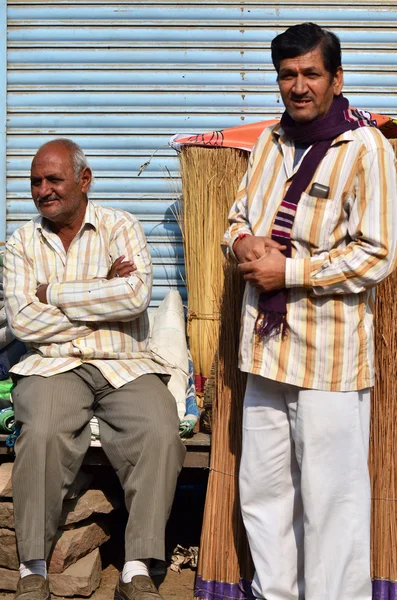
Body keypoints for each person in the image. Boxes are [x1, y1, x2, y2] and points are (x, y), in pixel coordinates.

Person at [222, 22, 397, 600]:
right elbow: (238, 216)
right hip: (266, 347)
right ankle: (274, 593)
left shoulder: (363, 147)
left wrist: (289, 272)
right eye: (288, 75)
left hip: (328, 356)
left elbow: (377, 254)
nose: (299, 87)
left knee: (331, 500)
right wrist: (243, 244)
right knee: (263, 490)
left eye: (311, 74)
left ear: (336, 78)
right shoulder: (271, 142)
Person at [4, 138, 186, 600]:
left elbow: (134, 297)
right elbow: (24, 320)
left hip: (123, 361)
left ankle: (137, 568)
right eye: (35, 182)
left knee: (160, 427)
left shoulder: (120, 226)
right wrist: (99, 289)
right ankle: (33, 569)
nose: (43, 190)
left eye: (54, 179)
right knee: (42, 429)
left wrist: (56, 293)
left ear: (84, 180)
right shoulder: (21, 243)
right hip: (53, 364)